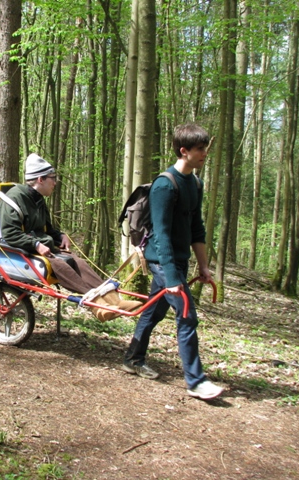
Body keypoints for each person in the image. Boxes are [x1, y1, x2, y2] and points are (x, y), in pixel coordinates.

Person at [122, 124, 223, 400]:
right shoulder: (165, 185)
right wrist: (173, 277)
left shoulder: (196, 183)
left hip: (177, 262)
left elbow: (197, 229)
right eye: (200, 149)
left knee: (153, 312)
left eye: (205, 148)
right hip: (161, 261)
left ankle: (133, 358)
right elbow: (162, 235)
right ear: (184, 151)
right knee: (187, 314)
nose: (205, 153)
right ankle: (196, 381)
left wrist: (202, 266)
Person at [0, 153, 142, 321]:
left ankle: (115, 301)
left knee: (77, 261)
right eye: (53, 178)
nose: (56, 182)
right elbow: (10, 233)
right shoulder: (14, 197)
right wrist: (36, 244)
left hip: (44, 247)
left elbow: (48, 229)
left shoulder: (38, 199)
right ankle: (97, 307)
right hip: (23, 251)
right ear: (40, 179)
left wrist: (60, 236)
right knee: (61, 264)